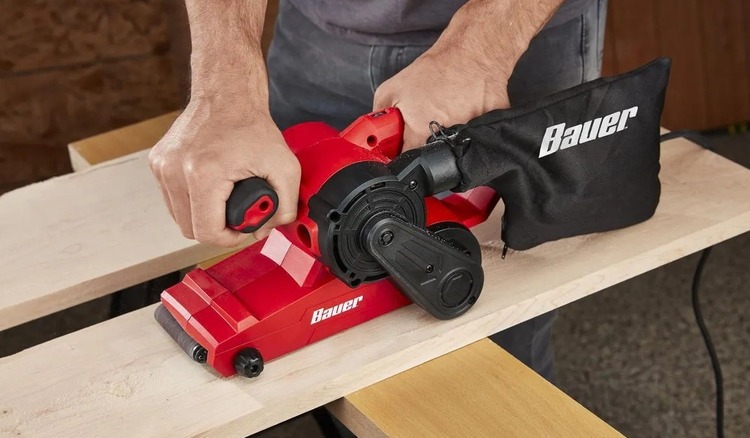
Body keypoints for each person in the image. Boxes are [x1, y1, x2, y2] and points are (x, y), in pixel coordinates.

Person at [149, 0, 606, 383]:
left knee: (500, 347)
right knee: (326, 357)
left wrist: (479, 52)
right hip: (318, 36)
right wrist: (225, 87)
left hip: (511, 33)